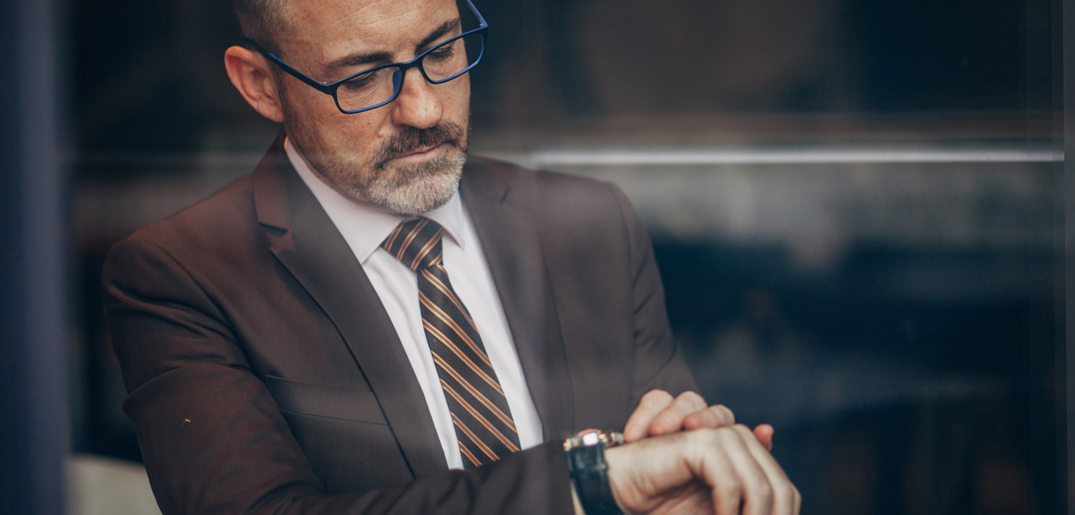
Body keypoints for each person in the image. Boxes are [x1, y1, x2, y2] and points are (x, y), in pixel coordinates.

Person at [102, 0, 801, 513]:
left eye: (440, 50)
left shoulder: (592, 223)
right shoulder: (181, 274)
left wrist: (697, 470)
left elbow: (661, 465)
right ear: (260, 84)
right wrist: (590, 480)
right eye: (364, 78)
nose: (423, 109)